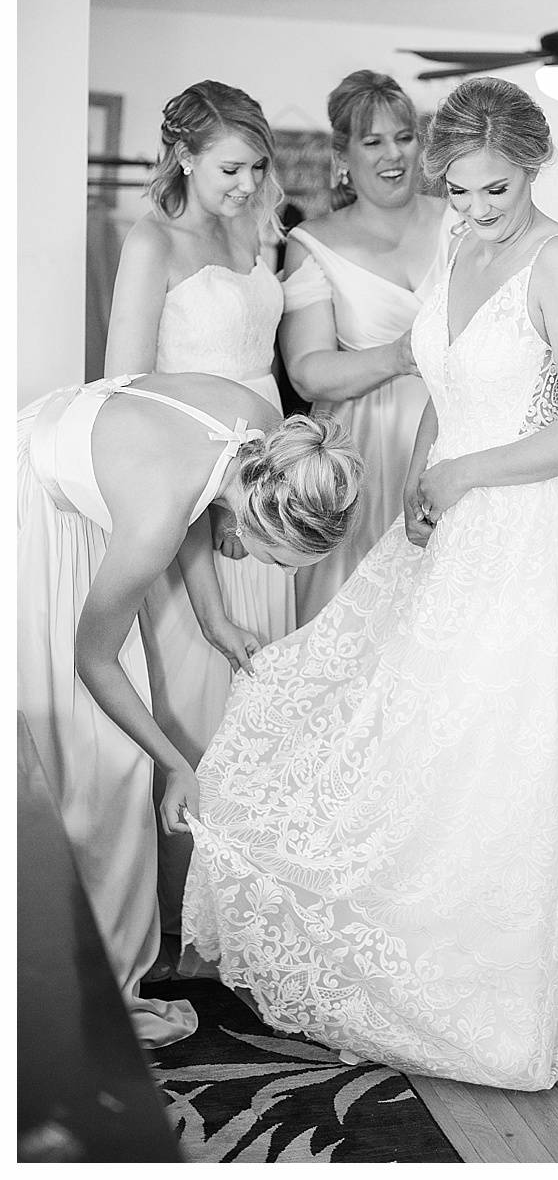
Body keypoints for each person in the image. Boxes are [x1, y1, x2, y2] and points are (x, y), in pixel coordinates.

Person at [183, 77, 558, 1096]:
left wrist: (463, 473)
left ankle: (511, 997)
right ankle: (420, 972)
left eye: (493, 192)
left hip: (528, 535)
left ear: (532, 165)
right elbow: (450, 386)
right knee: (403, 738)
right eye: (458, 192)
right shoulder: (459, 244)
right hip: (447, 520)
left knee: (505, 753)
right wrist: (425, 488)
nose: (472, 211)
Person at [17, 370, 359, 1048]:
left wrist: (213, 619)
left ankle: (97, 961)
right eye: (277, 560)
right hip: (32, 516)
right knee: (95, 762)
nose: (273, 570)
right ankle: (66, 981)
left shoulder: (260, 429)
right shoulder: (152, 519)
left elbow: (200, 496)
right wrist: (175, 764)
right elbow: (96, 659)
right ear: (260, 515)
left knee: (107, 759)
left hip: (96, 485)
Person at [103, 80, 299, 928]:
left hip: (264, 485)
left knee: (261, 700)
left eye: (258, 165)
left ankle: (246, 923)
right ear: (183, 155)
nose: (249, 183)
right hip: (186, 485)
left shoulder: (253, 224)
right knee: (196, 701)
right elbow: (125, 393)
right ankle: (183, 920)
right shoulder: (154, 241)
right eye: (230, 167)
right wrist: (209, 494)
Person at [279, 71, 459, 624]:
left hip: (455, 436)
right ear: (343, 156)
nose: (394, 155)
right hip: (365, 447)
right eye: (373, 141)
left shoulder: (462, 219)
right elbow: (308, 372)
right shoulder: (311, 243)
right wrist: (402, 355)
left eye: (404, 137)